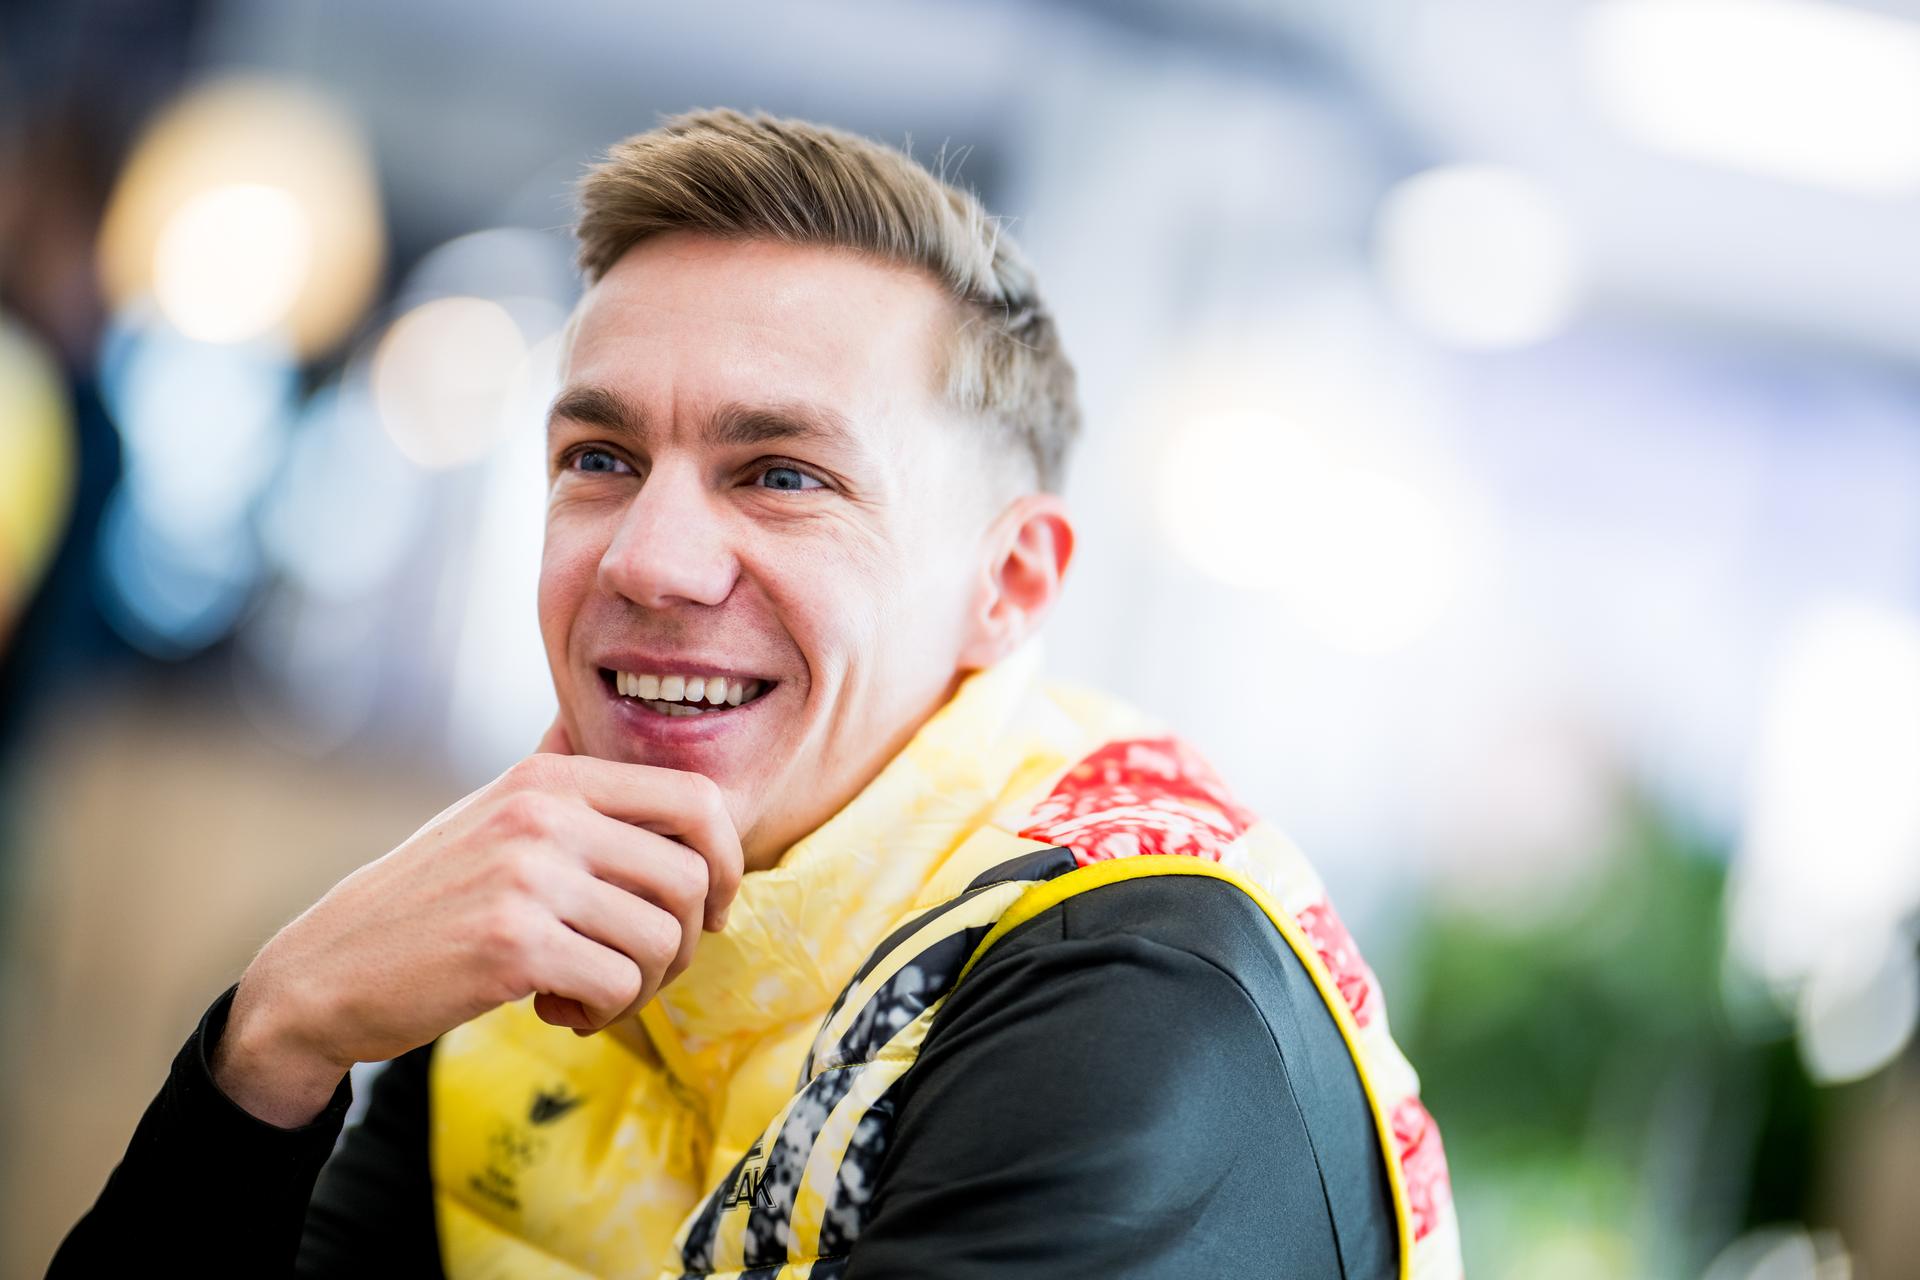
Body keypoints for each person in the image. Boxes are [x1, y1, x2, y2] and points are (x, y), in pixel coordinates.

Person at [50, 108, 1461, 1278]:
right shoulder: (535, 916)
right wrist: (276, 1038)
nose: (648, 560)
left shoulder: (1138, 999)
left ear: (1011, 585)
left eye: (783, 475)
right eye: (598, 458)